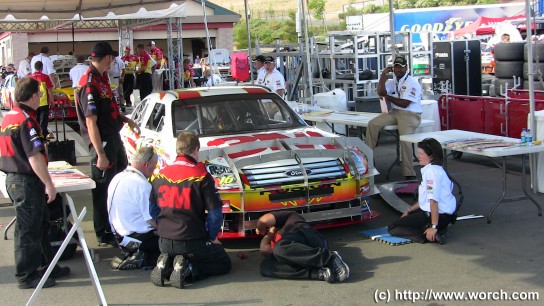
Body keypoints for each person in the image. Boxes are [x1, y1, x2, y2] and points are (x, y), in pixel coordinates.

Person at [0, 77, 70, 289]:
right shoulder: (25, 120)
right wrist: (49, 184)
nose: (40, 98)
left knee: (39, 224)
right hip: (26, 180)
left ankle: (47, 265)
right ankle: (27, 275)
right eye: (39, 95)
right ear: (32, 96)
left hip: (15, 178)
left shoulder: (9, 117)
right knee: (28, 229)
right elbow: (34, 156)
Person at [76, 41, 140, 246]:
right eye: (112, 57)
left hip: (113, 138)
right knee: (103, 188)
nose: (114, 61)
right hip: (102, 143)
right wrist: (100, 154)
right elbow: (90, 121)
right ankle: (103, 232)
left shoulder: (102, 78)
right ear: (107, 58)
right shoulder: (89, 83)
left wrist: (125, 118)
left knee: (119, 181)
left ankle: (116, 225)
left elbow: (107, 110)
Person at [150, 131, 231, 288]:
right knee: (223, 263)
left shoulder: (160, 175)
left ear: (177, 150)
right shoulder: (202, 176)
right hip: (191, 241)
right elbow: (215, 214)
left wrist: (161, 228)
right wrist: (212, 236)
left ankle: (168, 264)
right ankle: (189, 268)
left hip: (164, 241)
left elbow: (152, 210)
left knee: (178, 251)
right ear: (195, 150)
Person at [388, 138, 456, 244]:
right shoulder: (436, 168)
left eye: (421, 154)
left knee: (393, 228)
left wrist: (434, 226)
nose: (418, 156)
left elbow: (433, 201)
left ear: (431, 156)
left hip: (439, 215)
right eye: (418, 153)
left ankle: (430, 235)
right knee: (407, 219)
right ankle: (434, 229)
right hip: (443, 215)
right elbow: (425, 199)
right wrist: (409, 210)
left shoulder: (431, 173)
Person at [365, 56, 422, 180]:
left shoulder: (412, 82)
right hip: (395, 111)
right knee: (372, 124)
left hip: (410, 113)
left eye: (401, 67)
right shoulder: (392, 81)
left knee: (405, 139)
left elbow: (405, 103)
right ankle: (368, 159)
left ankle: (409, 173)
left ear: (406, 67)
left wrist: (388, 98)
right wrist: (383, 75)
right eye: (396, 67)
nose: (398, 69)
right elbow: (381, 92)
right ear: (393, 68)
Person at [257, 211, 350, 283]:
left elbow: (264, 220)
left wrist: (260, 227)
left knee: (280, 248)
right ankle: (318, 272)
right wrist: (269, 235)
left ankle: (330, 258)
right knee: (266, 266)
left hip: (305, 235)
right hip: (299, 256)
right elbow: (264, 250)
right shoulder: (277, 244)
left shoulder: (290, 218)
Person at [107, 146, 160, 270]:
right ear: (147, 164)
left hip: (119, 236)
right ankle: (143, 258)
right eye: (155, 164)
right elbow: (152, 220)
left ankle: (132, 253)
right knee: (173, 244)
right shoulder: (143, 185)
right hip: (137, 237)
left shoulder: (117, 177)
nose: (155, 168)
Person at [29, 61, 54, 140]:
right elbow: (49, 90)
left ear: (34, 67)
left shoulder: (30, 77)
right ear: (42, 68)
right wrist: (52, 100)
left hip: (33, 103)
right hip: (43, 102)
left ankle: (35, 137)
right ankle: (43, 138)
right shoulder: (45, 77)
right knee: (43, 121)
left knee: (34, 120)